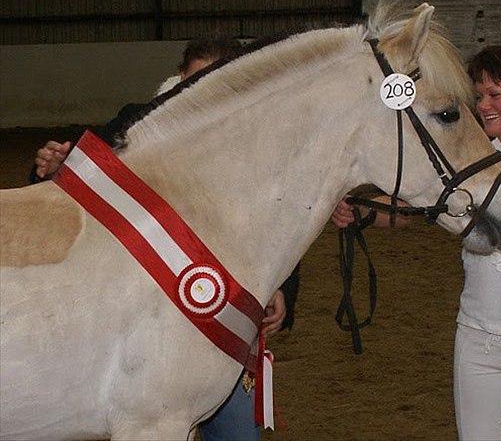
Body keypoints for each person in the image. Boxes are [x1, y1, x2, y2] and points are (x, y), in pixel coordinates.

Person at [29, 35, 300, 441]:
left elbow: (277, 221)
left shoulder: (255, 145)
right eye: (191, 81)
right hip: (138, 325)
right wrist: (50, 171)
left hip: (217, 327)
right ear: (178, 78)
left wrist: (282, 285)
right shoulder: (135, 123)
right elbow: (81, 183)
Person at [331, 44, 501, 440]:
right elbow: (409, 208)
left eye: (494, 95)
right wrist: (362, 210)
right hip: (475, 338)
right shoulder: (463, 166)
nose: (483, 105)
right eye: (478, 97)